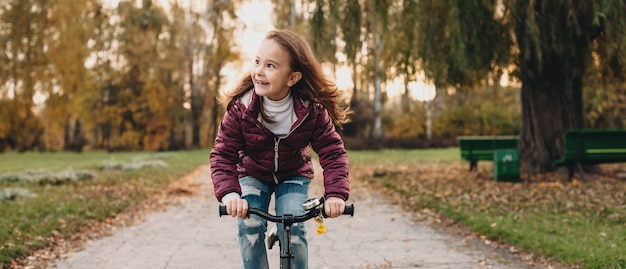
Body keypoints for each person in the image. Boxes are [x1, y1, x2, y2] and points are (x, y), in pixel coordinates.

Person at [210, 29, 351, 269]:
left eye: (271, 66)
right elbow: (223, 154)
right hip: (252, 173)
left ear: (293, 78)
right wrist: (231, 195)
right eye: (257, 62)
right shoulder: (241, 109)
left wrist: (336, 194)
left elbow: (332, 152)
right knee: (251, 225)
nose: (259, 72)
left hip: (293, 174)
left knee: (294, 228)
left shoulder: (311, 110)